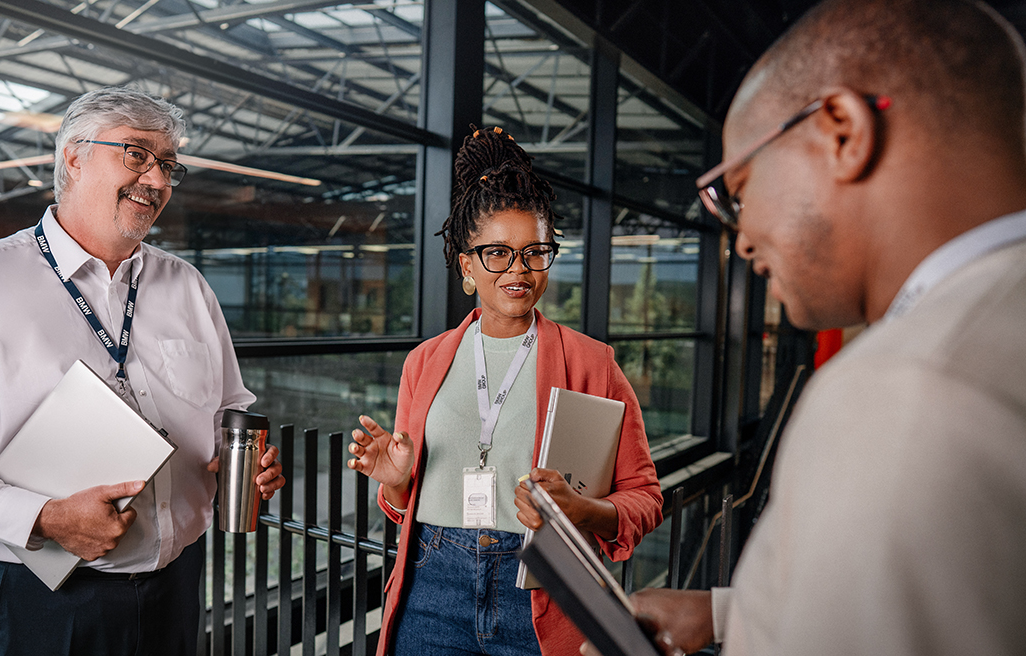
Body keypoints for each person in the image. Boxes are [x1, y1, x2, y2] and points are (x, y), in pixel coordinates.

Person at [623, 1, 1026, 654]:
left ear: (842, 130)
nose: (743, 238)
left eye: (741, 188)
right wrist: (736, 613)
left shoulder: (903, 391)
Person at [0, 86, 285, 655]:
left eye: (168, 165)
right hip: (48, 600)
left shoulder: (187, 285)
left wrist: (245, 460)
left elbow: (227, 409)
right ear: (74, 157)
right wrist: (42, 517)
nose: (159, 181)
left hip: (179, 587)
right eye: (136, 155)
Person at [346, 125, 664, 656]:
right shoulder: (424, 362)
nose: (517, 270)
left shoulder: (592, 363)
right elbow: (402, 507)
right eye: (496, 253)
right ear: (466, 265)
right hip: (432, 584)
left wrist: (581, 511)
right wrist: (398, 484)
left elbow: (645, 498)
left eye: (533, 251)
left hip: (542, 590)